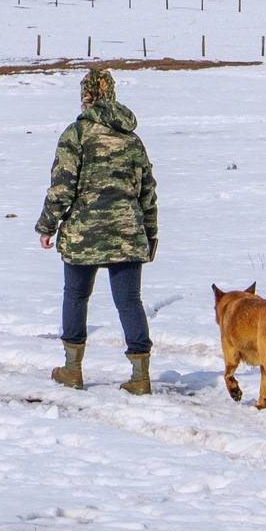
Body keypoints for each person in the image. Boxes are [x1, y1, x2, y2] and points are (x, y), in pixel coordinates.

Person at [34, 67, 158, 394]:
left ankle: (72, 370)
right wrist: (150, 235)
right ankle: (140, 376)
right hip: (127, 232)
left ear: (86, 95)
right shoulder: (131, 139)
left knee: (75, 296)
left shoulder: (76, 134)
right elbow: (147, 191)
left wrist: (47, 225)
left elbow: (62, 187)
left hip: (83, 234)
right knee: (130, 301)